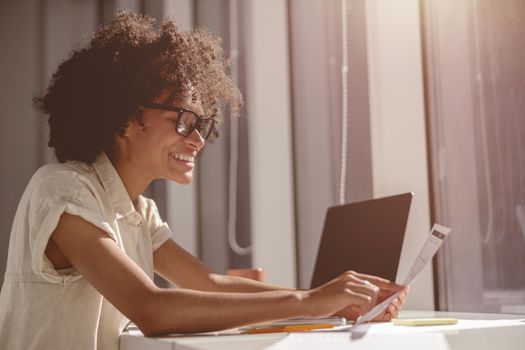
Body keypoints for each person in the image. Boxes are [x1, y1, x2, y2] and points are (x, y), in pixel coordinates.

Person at [0, 12, 408, 350]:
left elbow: (209, 283)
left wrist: (332, 303)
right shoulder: (61, 189)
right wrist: (309, 300)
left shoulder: (139, 212)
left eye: (202, 125)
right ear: (124, 118)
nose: (197, 139)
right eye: (182, 120)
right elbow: (151, 308)